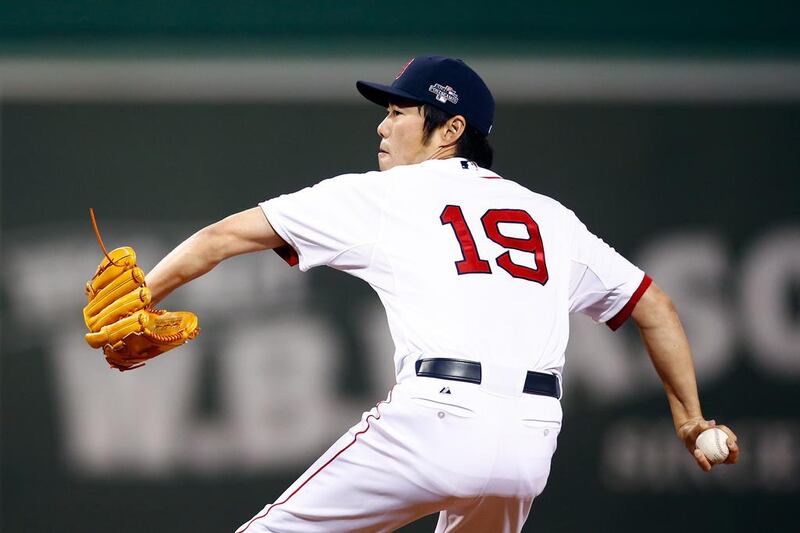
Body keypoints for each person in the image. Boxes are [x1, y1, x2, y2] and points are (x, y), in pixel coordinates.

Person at [143, 56, 739, 533]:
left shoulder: (390, 195)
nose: (382, 124)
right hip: (531, 443)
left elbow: (222, 237)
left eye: (401, 111)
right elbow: (653, 304)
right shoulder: (551, 217)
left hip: (436, 420)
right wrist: (690, 421)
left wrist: (145, 292)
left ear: (450, 129)